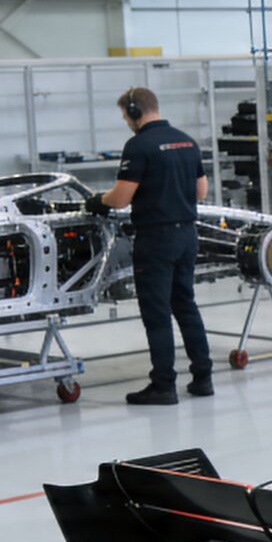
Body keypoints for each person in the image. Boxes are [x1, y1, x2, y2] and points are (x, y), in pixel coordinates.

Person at [90, 87, 211, 406]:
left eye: (125, 116)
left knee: (157, 313)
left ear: (134, 111)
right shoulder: (187, 141)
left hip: (156, 239)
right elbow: (201, 192)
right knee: (185, 304)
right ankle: (203, 378)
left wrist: (97, 201)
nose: (126, 122)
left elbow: (120, 198)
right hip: (187, 235)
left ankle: (163, 385)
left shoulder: (139, 145)